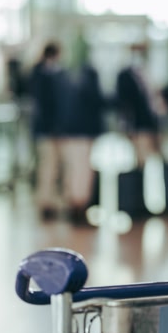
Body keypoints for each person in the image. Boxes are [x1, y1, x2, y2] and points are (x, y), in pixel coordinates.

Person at [59, 62, 106, 223]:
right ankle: (79, 207)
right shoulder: (89, 90)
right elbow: (101, 103)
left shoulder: (72, 88)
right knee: (82, 172)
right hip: (82, 135)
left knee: (73, 170)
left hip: (69, 134)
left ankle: (73, 205)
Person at [29, 41, 68, 220]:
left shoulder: (45, 72)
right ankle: (45, 202)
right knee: (48, 165)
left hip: (49, 129)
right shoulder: (42, 74)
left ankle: (50, 201)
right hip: (47, 129)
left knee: (53, 166)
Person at [115, 43, 164, 165]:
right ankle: (138, 181)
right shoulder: (125, 75)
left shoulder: (146, 72)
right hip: (137, 122)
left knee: (152, 153)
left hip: (151, 120)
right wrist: (126, 124)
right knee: (140, 156)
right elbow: (124, 102)